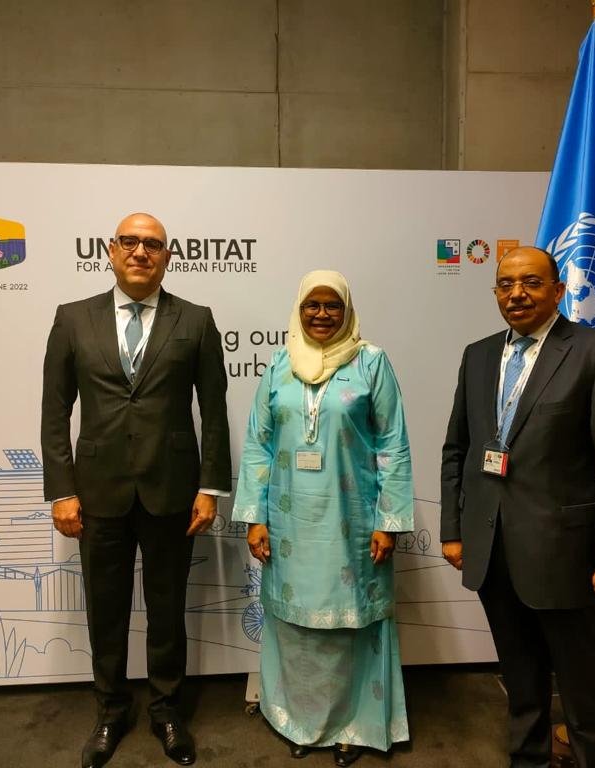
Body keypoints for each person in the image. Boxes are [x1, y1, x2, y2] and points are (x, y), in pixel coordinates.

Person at [440, 246, 595, 768]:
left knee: (583, 687)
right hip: (493, 549)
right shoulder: (478, 355)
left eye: (531, 283)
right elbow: (457, 450)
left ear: (557, 292)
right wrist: (453, 530)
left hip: (567, 557)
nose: (517, 294)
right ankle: (528, 759)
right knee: (520, 677)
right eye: (506, 284)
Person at [41, 212, 231, 768]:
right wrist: (61, 490)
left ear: (167, 256)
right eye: (130, 241)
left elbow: (214, 412)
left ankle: (167, 710)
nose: (140, 251)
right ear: (111, 250)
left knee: (167, 608)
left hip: (172, 491)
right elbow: (55, 411)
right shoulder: (72, 319)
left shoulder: (195, 320)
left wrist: (210, 487)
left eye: (152, 244)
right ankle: (110, 711)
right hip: (97, 494)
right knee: (106, 611)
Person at [232, 270, 412, 767]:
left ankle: (354, 725)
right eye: (312, 305)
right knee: (296, 626)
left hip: (353, 522)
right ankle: (299, 721)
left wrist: (388, 520)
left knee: (349, 624)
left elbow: (393, 445)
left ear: (347, 311)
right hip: (289, 523)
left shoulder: (371, 362)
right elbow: (258, 444)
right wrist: (254, 517)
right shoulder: (279, 364)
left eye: (333, 305)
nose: (322, 314)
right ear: (299, 309)